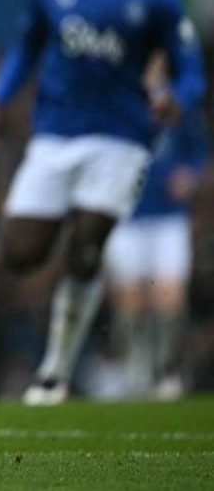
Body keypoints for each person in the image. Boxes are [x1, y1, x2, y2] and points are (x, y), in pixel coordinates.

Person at [0, 0, 205, 406]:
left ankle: (55, 371)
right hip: (54, 136)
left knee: (90, 241)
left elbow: (191, 69)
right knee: (21, 253)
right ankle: (72, 252)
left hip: (122, 138)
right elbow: (26, 48)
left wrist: (179, 99)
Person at [103, 77, 207, 400]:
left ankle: (167, 370)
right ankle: (135, 369)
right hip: (126, 215)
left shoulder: (179, 105)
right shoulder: (117, 100)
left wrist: (191, 174)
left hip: (169, 216)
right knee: (130, 298)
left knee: (170, 293)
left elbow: (199, 150)